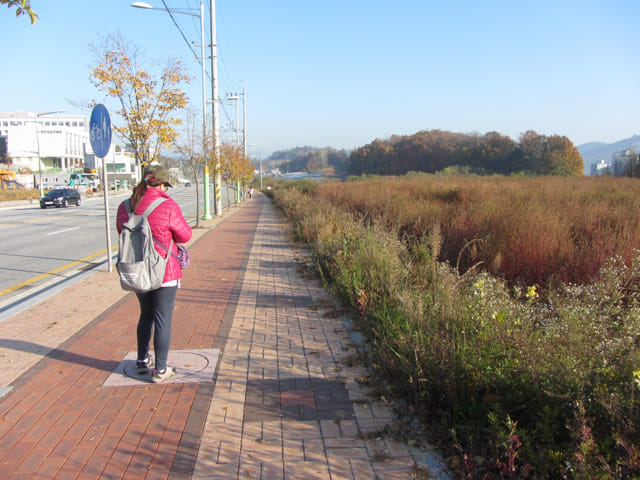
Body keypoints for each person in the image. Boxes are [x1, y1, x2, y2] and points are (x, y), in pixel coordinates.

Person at [116, 165, 192, 383]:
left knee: (145, 315)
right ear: (160, 184)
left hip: (136, 269)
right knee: (162, 319)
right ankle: (160, 370)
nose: (166, 190)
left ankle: (141, 360)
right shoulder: (167, 205)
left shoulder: (125, 206)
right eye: (165, 185)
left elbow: (121, 233)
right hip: (164, 271)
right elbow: (184, 235)